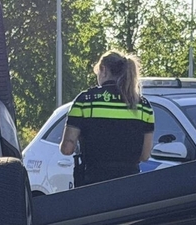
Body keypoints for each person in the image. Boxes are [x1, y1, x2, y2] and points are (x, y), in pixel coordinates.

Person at [59, 50, 154, 187]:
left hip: (93, 183)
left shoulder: (86, 100)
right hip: (130, 185)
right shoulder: (143, 105)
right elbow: (145, 156)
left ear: (103, 70)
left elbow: (67, 148)